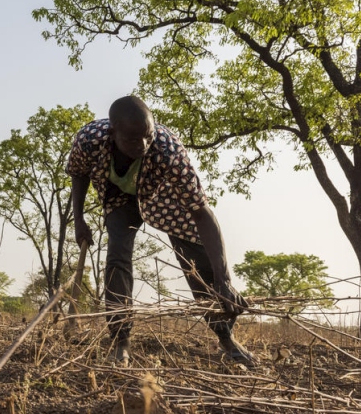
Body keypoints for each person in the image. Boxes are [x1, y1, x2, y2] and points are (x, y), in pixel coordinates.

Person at [67, 95, 253, 366]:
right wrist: (79, 219)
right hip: (119, 198)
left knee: (199, 263)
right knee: (117, 259)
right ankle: (120, 340)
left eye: (147, 136)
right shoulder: (90, 140)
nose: (142, 145)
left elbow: (202, 212)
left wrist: (224, 278)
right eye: (132, 140)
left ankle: (226, 339)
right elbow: (78, 173)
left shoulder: (168, 150)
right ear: (112, 133)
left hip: (165, 198)